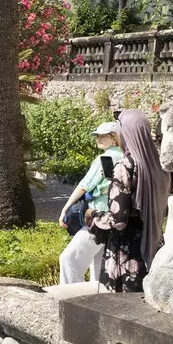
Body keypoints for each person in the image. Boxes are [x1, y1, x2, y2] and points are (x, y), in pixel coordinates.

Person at [89, 108, 167, 292]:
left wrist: (93, 215)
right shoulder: (160, 164)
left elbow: (118, 221)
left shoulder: (125, 166)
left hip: (127, 252)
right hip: (154, 245)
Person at [58, 122, 125, 286]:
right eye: (97, 136)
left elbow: (84, 185)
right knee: (99, 268)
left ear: (114, 138)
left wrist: (65, 208)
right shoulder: (124, 156)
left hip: (97, 217)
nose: (98, 139)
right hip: (113, 217)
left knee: (69, 259)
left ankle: (70, 299)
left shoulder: (105, 158)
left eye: (103, 136)